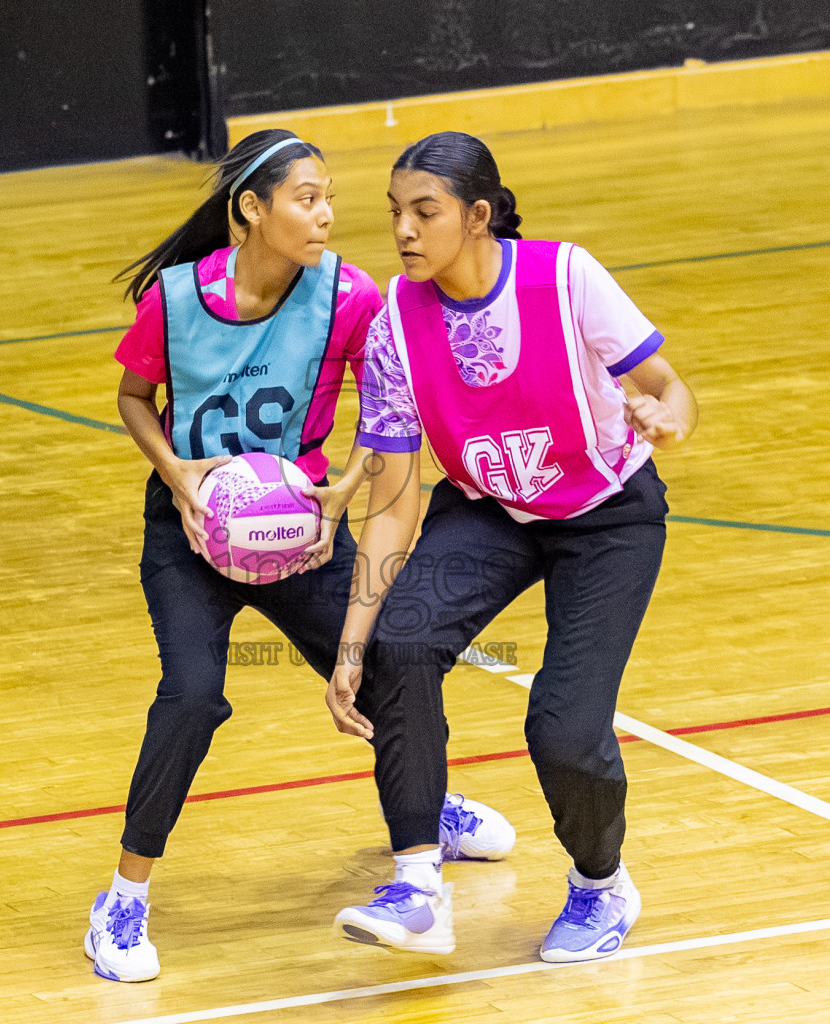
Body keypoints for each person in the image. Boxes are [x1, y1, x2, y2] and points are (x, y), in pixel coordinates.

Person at [87, 129, 516, 983]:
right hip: (191, 534)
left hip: (301, 528)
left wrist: (345, 488)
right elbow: (135, 396)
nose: (327, 216)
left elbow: (388, 398)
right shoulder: (175, 300)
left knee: (391, 667)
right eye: (307, 198)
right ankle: (122, 901)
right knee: (192, 697)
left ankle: (426, 810)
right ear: (253, 209)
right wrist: (175, 472)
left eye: (329, 199)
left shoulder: (348, 296)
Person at [327, 131, 697, 962]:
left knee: (563, 729)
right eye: (395, 212)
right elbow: (393, 500)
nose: (404, 230)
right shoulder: (394, 326)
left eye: (425, 212)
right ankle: (418, 889)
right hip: (492, 510)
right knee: (401, 644)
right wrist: (353, 642)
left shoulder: (565, 278)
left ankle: (601, 885)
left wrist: (668, 419)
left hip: (606, 516)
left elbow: (669, 386)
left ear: (478, 215)